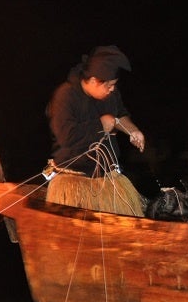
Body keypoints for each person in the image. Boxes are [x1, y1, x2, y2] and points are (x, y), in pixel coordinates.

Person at [44, 45, 147, 215]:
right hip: (75, 181)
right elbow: (66, 136)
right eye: (109, 86)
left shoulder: (110, 95)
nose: (112, 89)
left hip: (108, 179)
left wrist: (132, 130)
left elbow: (120, 115)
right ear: (93, 81)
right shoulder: (65, 96)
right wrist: (100, 125)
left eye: (114, 85)